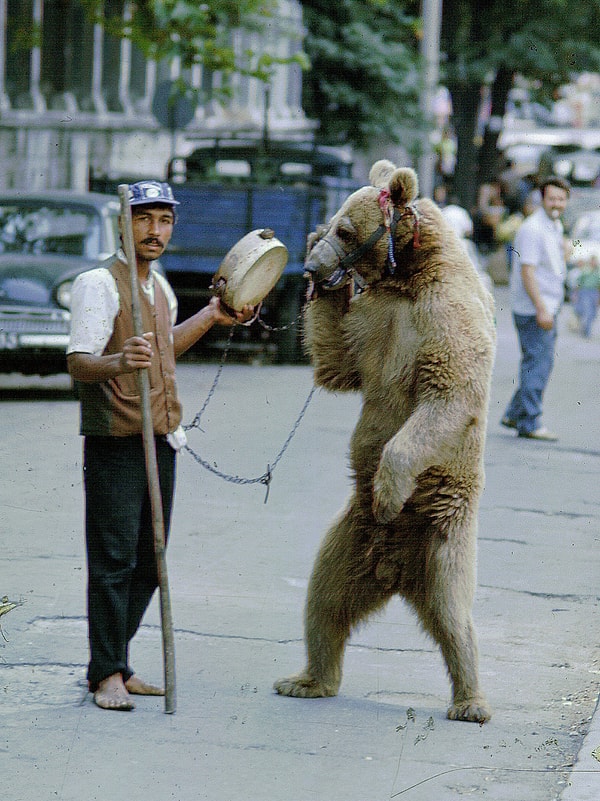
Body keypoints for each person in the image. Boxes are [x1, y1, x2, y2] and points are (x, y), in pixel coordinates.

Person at [67, 180, 253, 711]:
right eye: (145, 219)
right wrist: (118, 362)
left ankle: (118, 663)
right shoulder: (99, 284)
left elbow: (166, 345)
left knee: (151, 559)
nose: (156, 231)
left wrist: (214, 316)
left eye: (164, 221)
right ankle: (105, 673)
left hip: (162, 437)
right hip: (117, 441)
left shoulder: (160, 288)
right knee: (114, 560)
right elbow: (79, 363)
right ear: (123, 224)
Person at [501, 175, 571, 441]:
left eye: (561, 199)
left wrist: (569, 250)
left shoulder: (554, 225)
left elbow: (557, 259)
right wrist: (541, 309)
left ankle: (513, 413)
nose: (557, 203)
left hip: (549, 304)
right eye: (552, 198)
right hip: (534, 309)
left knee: (540, 362)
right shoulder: (532, 229)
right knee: (538, 365)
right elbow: (527, 272)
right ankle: (530, 421)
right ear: (542, 199)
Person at [572, 254, 600, 338]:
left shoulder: (598, 272)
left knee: (593, 313)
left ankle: (585, 328)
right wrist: (575, 294)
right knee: (587, 311)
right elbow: (578, 283)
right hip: (584, 292)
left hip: (594, 292)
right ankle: (586, 331)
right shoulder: (585, 270)